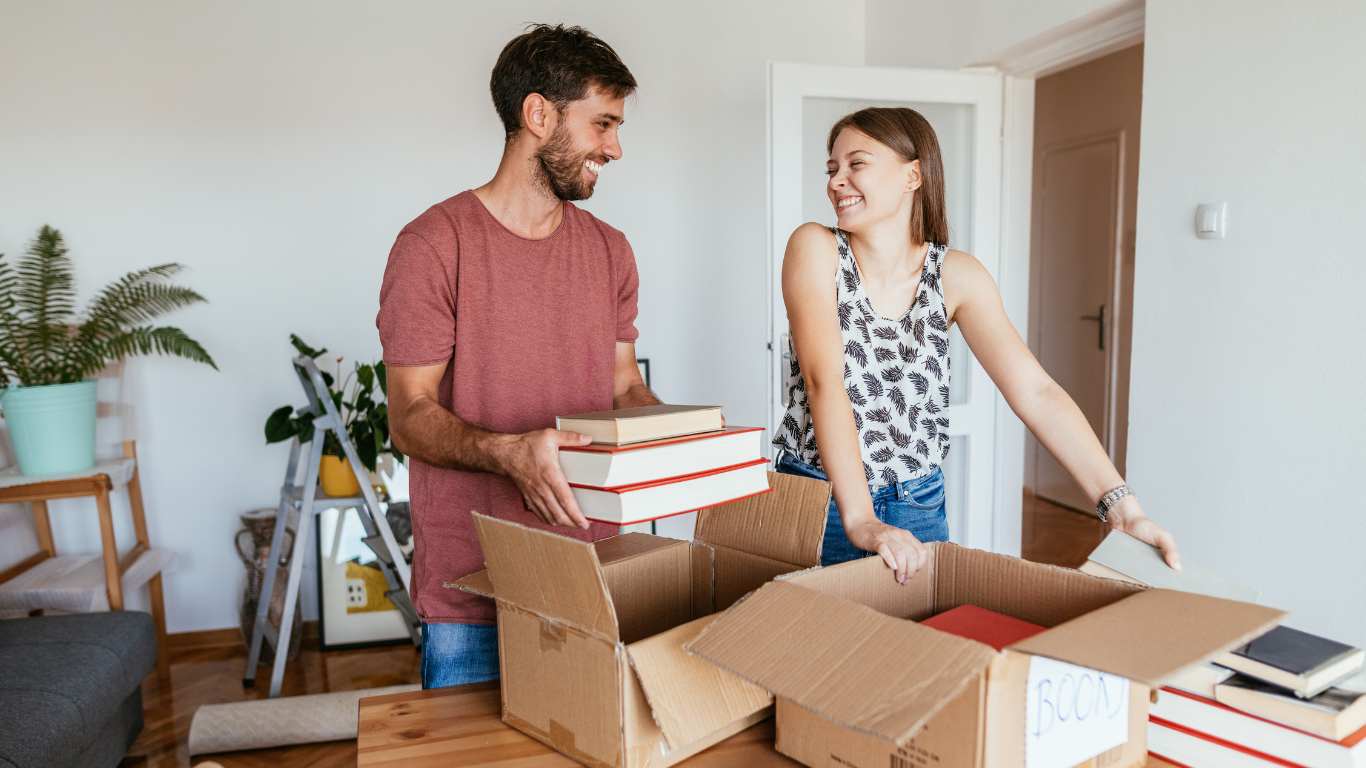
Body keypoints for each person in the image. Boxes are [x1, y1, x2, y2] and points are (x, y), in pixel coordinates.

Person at [773, 107, 1180, 584]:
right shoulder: (814, 248)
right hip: (818, 497)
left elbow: (1035, 391)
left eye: (855, 164)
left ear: (913, 175)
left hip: (916, 502)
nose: (836, 181)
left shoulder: (957, 276)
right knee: (809, 650)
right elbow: (826, 382)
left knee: (913, 652)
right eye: (832, 169)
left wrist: (1123, 508)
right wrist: (862, 520)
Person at [376, 24, 660, 688]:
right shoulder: (433, 245)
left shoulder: (611, 250)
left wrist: (696, 445)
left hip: (590, 579)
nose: (615, 148)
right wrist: (510, 453)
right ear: (538, 115)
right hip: (472, 591)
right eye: (603, 124)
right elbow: (409, 416)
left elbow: (624, 390)